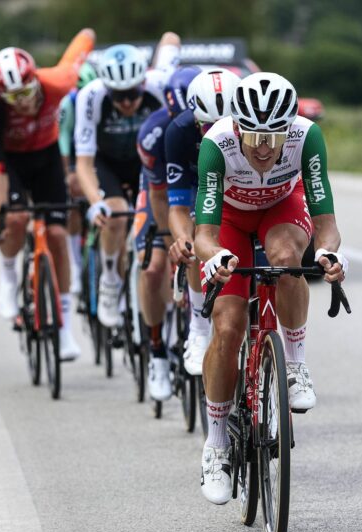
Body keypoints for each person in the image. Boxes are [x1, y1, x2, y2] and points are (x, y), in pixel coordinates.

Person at [193, 72, 348, 504]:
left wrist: (330, 255)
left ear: (289, 129)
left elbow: (326, 225)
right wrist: (216, 257)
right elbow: (204, 233)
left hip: (281, 208)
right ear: (238, 126)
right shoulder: (216, 145)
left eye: (275, 137)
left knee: (286, 260)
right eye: (256, 135)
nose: (264, 147)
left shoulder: (307, 137)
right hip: (229, 218)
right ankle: (217, 443)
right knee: (227, 326)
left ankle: (295, 364)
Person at [0, 28, 95, 361]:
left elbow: (77, 53)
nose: (25, 103)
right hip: (12, 162)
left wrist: (87, 34)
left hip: (46, 157)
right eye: (14, 99)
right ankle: (7, 275)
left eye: (28, 92)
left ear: (35, 80)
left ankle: (62, 329)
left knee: (59, 234)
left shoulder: (56, 82)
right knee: (15, 219)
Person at [75, 33, 180, 332]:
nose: (127, 102)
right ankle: (110, 277)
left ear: (143, 83)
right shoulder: (91, 96)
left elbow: (172, 38)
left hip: (149, 164)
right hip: (108, 163)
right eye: (118, 96)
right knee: (115, 213)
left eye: (133, 93)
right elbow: (83, 163)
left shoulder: (160, 85)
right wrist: (96, 204)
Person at [163, 68, 241, 377]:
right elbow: (177, 204)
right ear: (195, 117)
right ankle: (198, 325)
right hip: (199, 186)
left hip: (240, 189)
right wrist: (183, 238)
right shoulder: (179, 131)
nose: (215, 133)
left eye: (224, 124)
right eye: (207, 125)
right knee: (197, 239)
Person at [133, 65, 200, 400]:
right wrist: (171, 239)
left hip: (202, 190)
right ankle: (157, 350)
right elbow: (160, 196)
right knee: (154, 267)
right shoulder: (154, 132)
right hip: (162, 195)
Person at [58, 61, 99, 295]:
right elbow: (63, 139)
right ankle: (75, 265)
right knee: (72, 204)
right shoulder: (68, 103)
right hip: (74, 154)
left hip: (93, 152)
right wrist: (69, 174)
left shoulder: (100, 98)